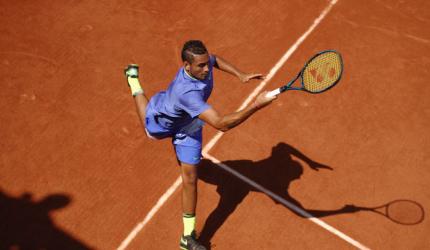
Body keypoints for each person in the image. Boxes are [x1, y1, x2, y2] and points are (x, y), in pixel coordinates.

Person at [124, 40, 276, 250]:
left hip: (188, 126)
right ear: (187, 66)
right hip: (163, 120)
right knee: (147, 122)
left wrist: (240, 74)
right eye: (201, 66)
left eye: (206, 63)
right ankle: (133, 82)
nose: (207, 68)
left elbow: (216, 60)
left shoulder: (203, 63)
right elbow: (221, 124)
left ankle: (187, 237)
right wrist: (256, 106)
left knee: (190, 178)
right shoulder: (186, 93)